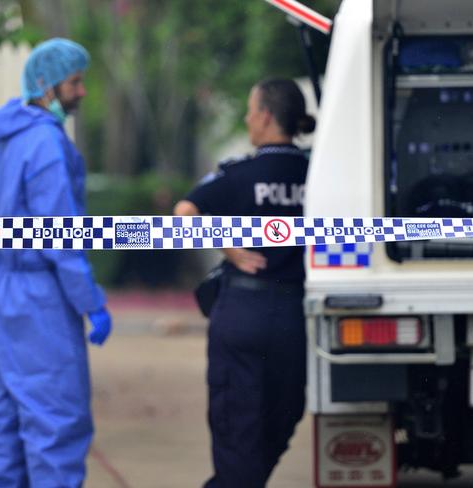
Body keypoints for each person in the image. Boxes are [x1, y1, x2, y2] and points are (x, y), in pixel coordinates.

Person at [0, 38, 112, 488]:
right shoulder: (46, 145)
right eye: (75, 81)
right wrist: (90, 301)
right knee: (56, 422)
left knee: (5, 420)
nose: (83, 91)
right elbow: (61, 236)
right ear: (46, 86)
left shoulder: (1, 142)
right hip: (38, 297)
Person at [174, 78, 315, 488]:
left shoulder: (240, 173)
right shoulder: (317, 174)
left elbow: (184, 216)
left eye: (251, 110)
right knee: (281, 415)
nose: (247, 118)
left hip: (243, 314)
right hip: (294, 316)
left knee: (238, 426)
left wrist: (229, 249)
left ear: (267, 117)